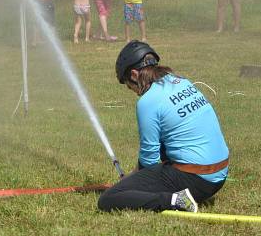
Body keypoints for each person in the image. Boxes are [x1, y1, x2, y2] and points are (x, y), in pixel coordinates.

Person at [98, 41, 229, 213]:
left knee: (109, 199)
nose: (134, 91)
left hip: (197, 180)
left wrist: (130, 182)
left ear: (134, 74)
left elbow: (149, 161)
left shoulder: (147, 101)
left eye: (129, 86)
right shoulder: (182, 82)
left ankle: (176, 200)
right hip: (219, 175)